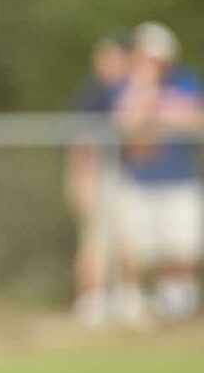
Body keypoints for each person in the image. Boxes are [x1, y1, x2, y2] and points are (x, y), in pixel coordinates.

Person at [112, 21, 203, 323]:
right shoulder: (130, 86)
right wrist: (146, 90)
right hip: (141, 180)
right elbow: (127, 125)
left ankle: (179, 307)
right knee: (139, 249)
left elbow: (195, 118)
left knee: (180, 246)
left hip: (179, 178)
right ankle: (138, 307)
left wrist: (162, 119)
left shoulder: (187, 81)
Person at [65, 32, 131, 326]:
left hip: (125, 176)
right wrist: (82, 179)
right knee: (94, 241)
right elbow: (81, 141)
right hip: (97, 175)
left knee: (126, 239)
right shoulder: (90, 94)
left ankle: (127, 299)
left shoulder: (127, 90)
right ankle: (92, 300)